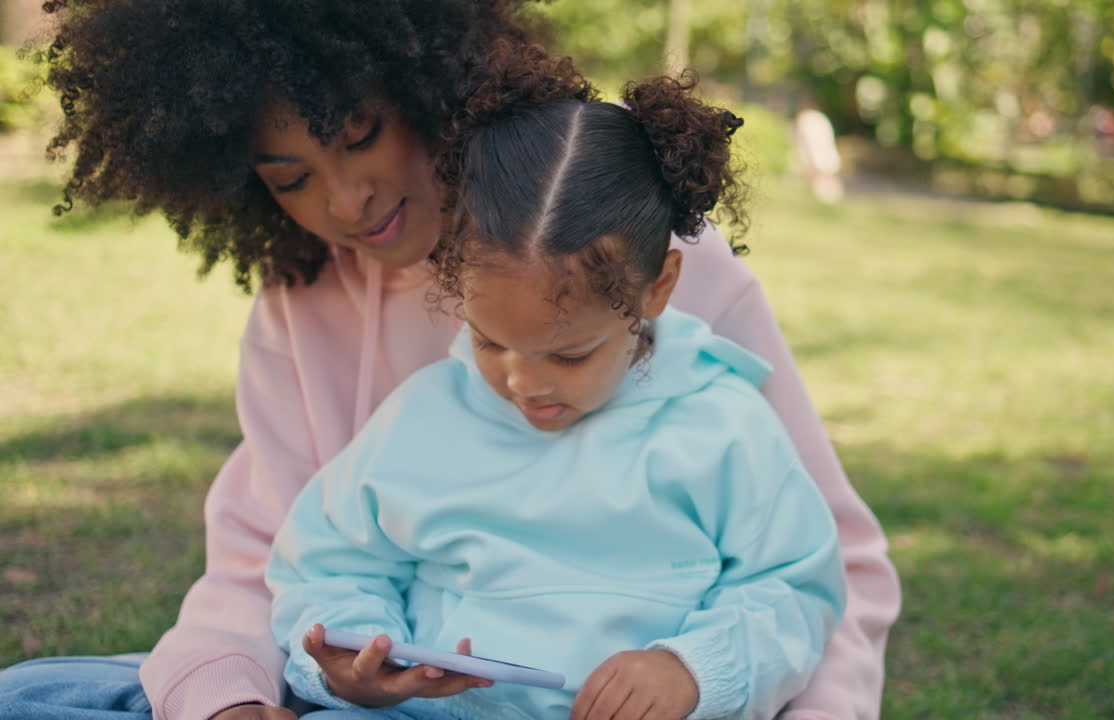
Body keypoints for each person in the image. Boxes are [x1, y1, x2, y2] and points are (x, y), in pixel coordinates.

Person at [0, 2, 900, 720]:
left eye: (359, 134)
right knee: (34, 695)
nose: (346, 201)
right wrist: (232, 700)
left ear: (428, 87)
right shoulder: (316, 315)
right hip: (408, 697)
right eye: (290, 178)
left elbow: (824, 570)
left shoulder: (640, 264)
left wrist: (702, 676)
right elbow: (276, 558)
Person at [265, 70, 846, 720]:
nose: (523, 382)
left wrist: (692, 670)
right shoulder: (421, 418)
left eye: (570, 354)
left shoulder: (722, 425)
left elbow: (792, 590)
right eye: (490, 342)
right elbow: (326, 566)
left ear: (657, 288)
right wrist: (354, 661)